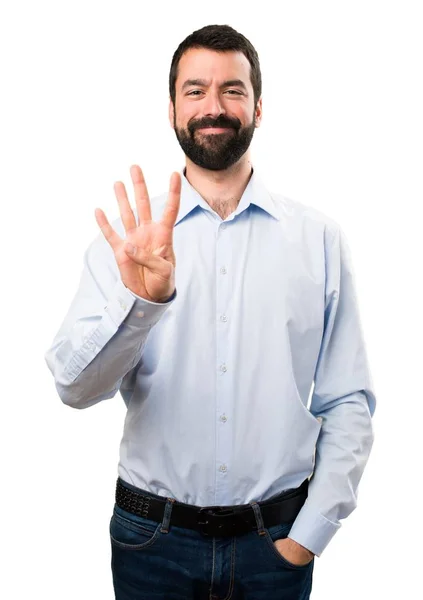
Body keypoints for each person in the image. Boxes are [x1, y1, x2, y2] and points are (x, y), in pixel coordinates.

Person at [45, 23, 376, 600]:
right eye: (195, 91)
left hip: (274, 542)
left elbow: (348, 399)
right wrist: (139, 301)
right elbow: (74, 390)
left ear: (258, 106)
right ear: (172, 108)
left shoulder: (318, 239)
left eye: (233, 90)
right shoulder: (127, 240)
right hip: (152, 543)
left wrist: (308, 535)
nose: (214, 107)